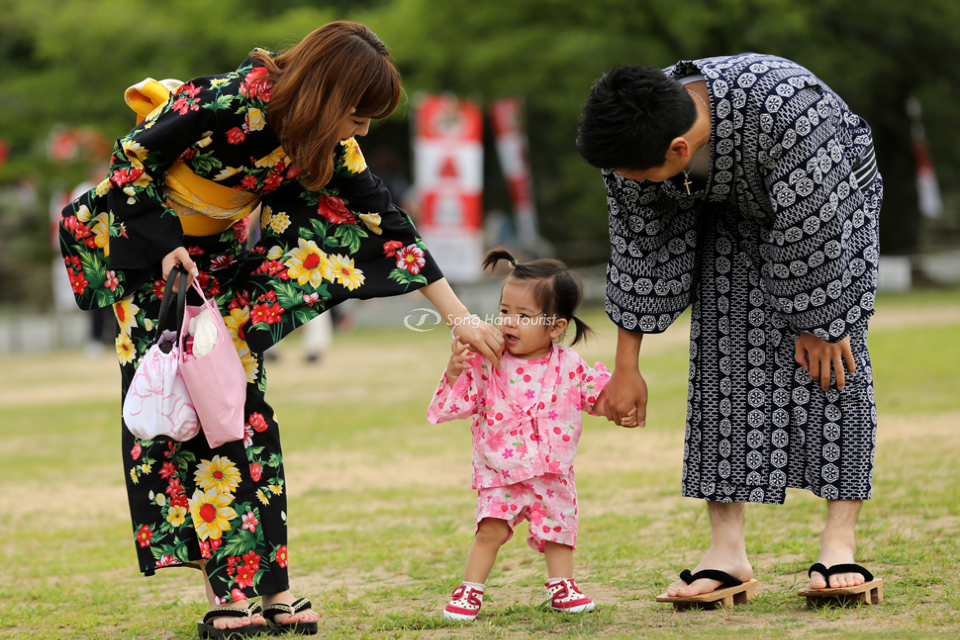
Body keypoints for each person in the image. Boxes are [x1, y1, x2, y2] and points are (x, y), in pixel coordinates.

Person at [59, 22, 502, 638]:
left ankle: (273, 587)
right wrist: (164, 246)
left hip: (217, 258)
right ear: (326, 96)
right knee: (196, 415)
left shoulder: (321, 138)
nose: (361, 131)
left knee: (245, 412)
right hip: (145, 252)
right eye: (356, 116)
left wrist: (460, 317)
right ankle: (229, 593)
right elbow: (131, 159)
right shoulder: (225, 100)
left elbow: (384, 220)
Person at [576, 54, 882, 600]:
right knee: (724, 359)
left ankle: (839, 542)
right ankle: (727, 553)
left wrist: (820, 319)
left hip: (831, 198)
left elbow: (817, 223)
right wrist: (626, 367)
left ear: (679, 149)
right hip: (723, 208)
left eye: (634, 175)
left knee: (833, 361)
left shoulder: (790, 109)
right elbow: (639, 249)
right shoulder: (631, 140)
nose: (625, 182)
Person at [427, 249, 637, 621]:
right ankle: (470, 589)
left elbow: (598, 398)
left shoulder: (569, 365)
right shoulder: (488, 360)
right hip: (501, 473)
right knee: (489, 531)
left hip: (552, 473)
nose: (509, 322)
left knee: (558, 533)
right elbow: (454, 405)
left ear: (555, 327)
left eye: (523, 315)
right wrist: (455, 370)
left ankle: (562, 585)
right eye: (504, 310)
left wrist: (619, 407)